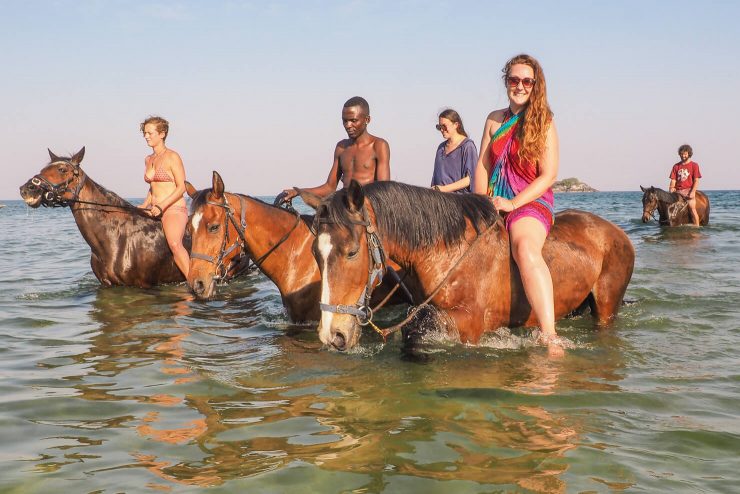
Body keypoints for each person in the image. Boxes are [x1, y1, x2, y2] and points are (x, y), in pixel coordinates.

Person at [473, 54, 561, 355]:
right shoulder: (493, 119)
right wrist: (479, 202)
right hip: (492, 199)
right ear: (506, 81)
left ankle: (549, 335)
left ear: (535, 85)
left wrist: (512, 203)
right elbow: (483, 165)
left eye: (526, 81)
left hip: (529, 200)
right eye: (514, 80)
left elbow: (549, 174)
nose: (519, 86)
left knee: (524, 247)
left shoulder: (544, 122)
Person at [280, 96, 390, 201]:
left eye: (353, 120)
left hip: (367, 211)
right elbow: (329, 187)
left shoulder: (379, 145)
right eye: (345, 121)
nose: (348, 125)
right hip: (343, 208)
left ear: (367, 120)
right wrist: (298, 192)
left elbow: (383, 190)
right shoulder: (341, 148)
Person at [139, 116, 190, 278]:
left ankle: (195, 283)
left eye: (150, 133)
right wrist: (145, 204)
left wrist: (161, 206)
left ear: (162, 134)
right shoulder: (148, 159)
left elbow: (182, 187)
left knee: (175, 244)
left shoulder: (172, 156)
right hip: (153, 208)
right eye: (144, 133)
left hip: (173, 209)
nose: (146, 136)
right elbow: (152, 186)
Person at [430, 109, 478, 193]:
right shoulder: (441, 148)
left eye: (444, 126)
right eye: (439, 127)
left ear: (456, 125)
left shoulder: (467, 146)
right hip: (440, 200)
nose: (441, 130)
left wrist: (444, 189)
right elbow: (435, 178)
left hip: (459, 202)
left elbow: (471, 178)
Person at [669, 144, 702, 226]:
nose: (683, 156)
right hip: (678, 191)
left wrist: (693, 191)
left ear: (689, 154)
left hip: (688, 190)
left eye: (685, 154)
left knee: (692, 208)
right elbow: (673, 180)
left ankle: (697, 227)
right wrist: (671, 187)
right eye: (681, 154)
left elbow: (696, 180)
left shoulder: (694, 165)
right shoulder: (676, 166)